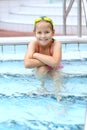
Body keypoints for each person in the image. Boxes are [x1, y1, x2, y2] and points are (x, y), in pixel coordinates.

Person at [24, 16, 63, 100]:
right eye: (39, 32)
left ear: (53, 32)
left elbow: (55, 63)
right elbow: (27, 64)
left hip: (55, 68)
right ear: (34, 33)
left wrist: (36, 55)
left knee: (56, 77)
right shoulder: (33, 44)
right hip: (41, 69)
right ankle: (42, 87)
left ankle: (58, 96)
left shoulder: (56, 44)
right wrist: (49, 60)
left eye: (47, 32)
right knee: (42, 70)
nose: (43, 36)